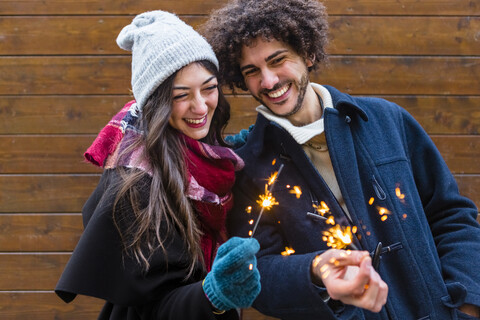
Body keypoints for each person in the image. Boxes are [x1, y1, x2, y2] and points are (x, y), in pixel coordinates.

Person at [201, 0, 480, 319]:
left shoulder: (387, 120)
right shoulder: (248, 167)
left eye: (277, 60)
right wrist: (315, 270)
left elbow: (451, 215)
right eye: (252, 72)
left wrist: (468, 304)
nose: (268, 81)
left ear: (308, 53)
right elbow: (259, 272)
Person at [55, 10, 261, 320]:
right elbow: (154, 307)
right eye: (181, 96)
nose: (201, 106)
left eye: (208, 88)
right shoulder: (137, 186)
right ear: (156, 103)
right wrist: (213, 296)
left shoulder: (203, 152)